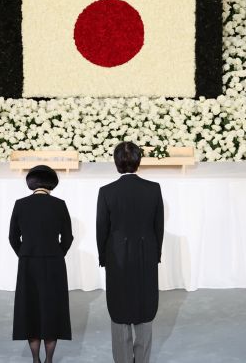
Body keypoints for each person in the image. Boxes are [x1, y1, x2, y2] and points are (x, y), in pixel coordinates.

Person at [96, 142, 165, 363]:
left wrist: (103, 257)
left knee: (119, 307)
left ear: (116, 163)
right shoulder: (154, 189)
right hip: (146, 255)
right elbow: (158, 226)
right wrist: (156, 254)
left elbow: (102, 228)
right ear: (138, 161)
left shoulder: (106, 192)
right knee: (145, 306)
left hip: (117, 256)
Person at [9, 165, 74, 363]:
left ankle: (35, 358)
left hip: (28, 264)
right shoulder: (59, 204)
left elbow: (13, 237)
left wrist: (25, 254)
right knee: (52, 309)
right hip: (54, 264)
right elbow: (68, 237)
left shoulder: (20, 204)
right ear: (51, 183)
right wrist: (57, 253)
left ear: (31, 182)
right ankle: (49, 360)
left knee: (31, 309)